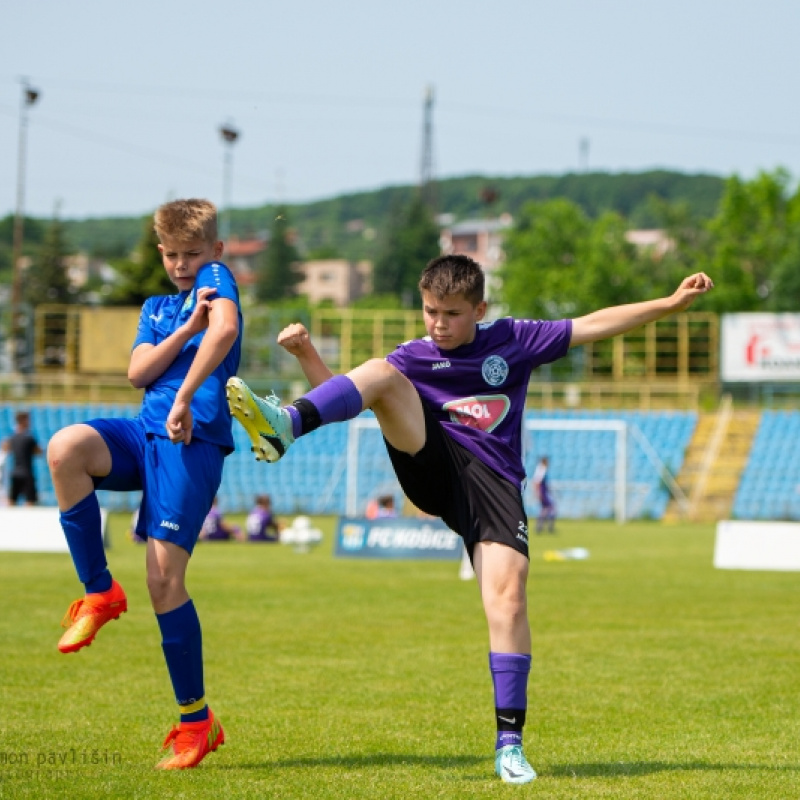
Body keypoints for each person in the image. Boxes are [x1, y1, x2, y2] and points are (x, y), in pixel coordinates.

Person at [225, 253, 713, 785]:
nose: (438, 323)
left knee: (508, 598)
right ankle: (287, 424)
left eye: (452, 314)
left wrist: (669, 303)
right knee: (382, 374)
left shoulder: (514, 340)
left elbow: (592, 324)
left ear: (479, 308)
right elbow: (355, 396)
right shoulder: (413, 356)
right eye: (430, 311)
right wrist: (307, 354)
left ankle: (510, 746)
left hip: (493, 482)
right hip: (429, 463)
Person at [47, 198, 242, 771]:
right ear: (161, 251)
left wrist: (184, 396)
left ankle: (196, 722)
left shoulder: (215, 280)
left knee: (163, 582)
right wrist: (185, 326)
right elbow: (137, 372)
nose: (183, 265)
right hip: (145, 433)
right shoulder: (162, 306)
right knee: (66, 449)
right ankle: (100, 590)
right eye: (173, 254)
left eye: (194, 253)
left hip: (191, 439)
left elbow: (225, 327)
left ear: (216, 251)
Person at [3, 410, 43, 506]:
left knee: (11, 502)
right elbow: (39, 452)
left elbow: (5, 448)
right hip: (27, 473)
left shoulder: (12, 437)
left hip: (15, 473)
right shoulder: (29, 438)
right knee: (30, 502)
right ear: (24, 420)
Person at [532, 456, 556, 534]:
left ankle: (541, 527)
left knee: (545, 509)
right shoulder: (542, 469)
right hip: (543, 492)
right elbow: (537, 482)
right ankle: (547, 527)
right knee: (550, 508)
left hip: (544, 492)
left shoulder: (541, 469)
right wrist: (538, 493)